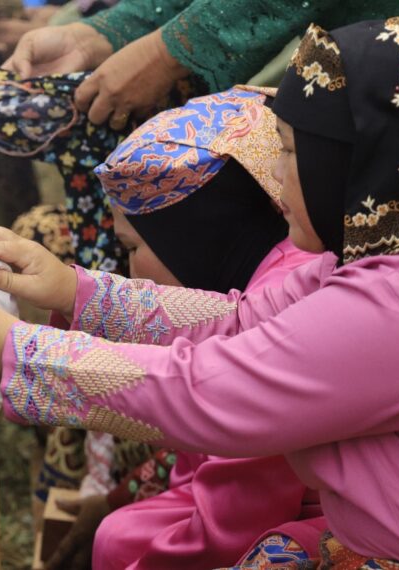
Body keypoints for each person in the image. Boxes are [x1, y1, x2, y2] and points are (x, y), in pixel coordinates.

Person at [0, 17, 399, 568]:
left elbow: (208, 391)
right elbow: (242, 321)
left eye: (289, 151)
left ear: (353, 162)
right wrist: (75, 289)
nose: (275, 177)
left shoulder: (398, 304)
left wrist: (20, 356)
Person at [1, 0, 399, 259]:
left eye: (286, 153)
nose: (272, 176)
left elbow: (213, 383)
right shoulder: (304, 282)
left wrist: (166, 48)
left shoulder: (383, 297)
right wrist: (113, 31)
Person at [46, 86, 321, 570]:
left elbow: (237, 519)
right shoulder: (278, 268)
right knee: (119, 532)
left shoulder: (274, 318)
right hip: (255, 500)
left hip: (317, 526)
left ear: (193, 242)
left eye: (132, 248)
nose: (128, 272)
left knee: (120, 540)